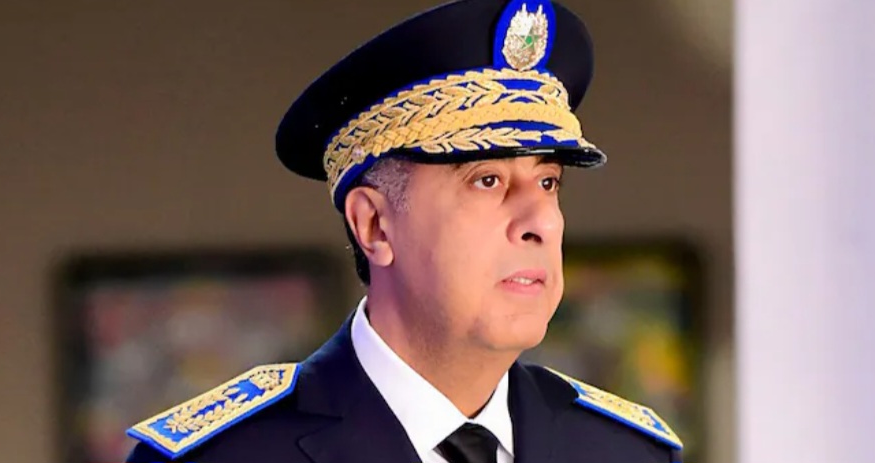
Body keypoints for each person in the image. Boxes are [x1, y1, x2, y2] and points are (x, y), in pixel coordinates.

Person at [125, 0, 684, 462]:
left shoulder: (626, 451)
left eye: (548, 182)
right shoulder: (225, 456)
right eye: (487, 180)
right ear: (374, 225)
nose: (539, 222)